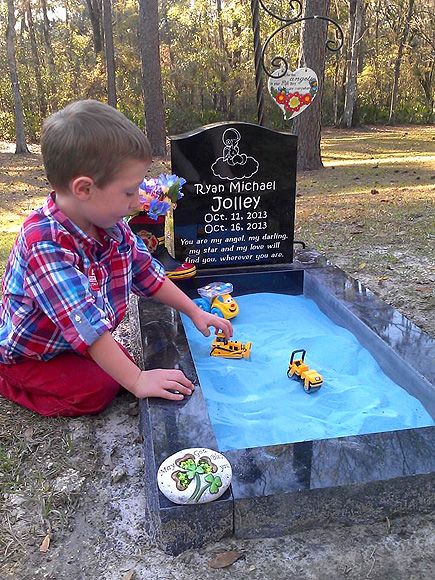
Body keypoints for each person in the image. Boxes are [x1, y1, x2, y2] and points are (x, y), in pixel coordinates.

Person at [0, 100, 232, 417]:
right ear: (84, 188)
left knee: (119, 364)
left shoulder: (112, 227)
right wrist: (137, 380)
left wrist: (194, 311)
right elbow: (88, 326)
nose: (139, 200)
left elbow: (149, 275)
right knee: (98, 391)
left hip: (70, 341)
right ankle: (4, 378)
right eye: (129, 192)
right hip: (34, 353)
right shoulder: (44, 243)